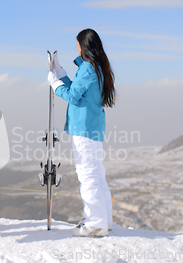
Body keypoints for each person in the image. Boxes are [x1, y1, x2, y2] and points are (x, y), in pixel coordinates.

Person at [46, 28, 115, 237]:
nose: (75, 47)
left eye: (77, 43)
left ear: (83, 45)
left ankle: (95, 223)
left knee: (88, 175)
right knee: (97, 174)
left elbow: (73, 97)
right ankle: (104, 220)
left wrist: (55, 84)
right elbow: (78, 89)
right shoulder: (97, 66)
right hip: (93, 127)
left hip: (83, 127)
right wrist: (60, 72)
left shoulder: (88, 68)